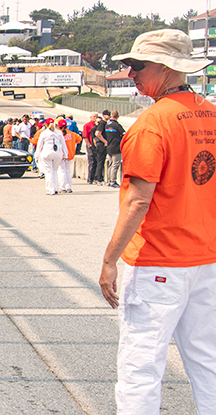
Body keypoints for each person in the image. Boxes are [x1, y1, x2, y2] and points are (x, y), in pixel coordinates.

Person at [100, 28, 216, 415]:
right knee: (207, 360)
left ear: (165, 68)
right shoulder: (211, 115)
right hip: (206, 258)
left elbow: (137, 202)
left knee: (141, 364)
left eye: (137, 65)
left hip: (158, 261)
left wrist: (109, 260)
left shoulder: (152, 124)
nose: (130, 73)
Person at [33, 119, 67, 195]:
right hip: (57, 153)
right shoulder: (59, 132)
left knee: (48, 172)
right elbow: (63, 144)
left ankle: (50, 189)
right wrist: (66, 154)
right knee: (55, 171)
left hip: (47, 152)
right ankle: (56, 188)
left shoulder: (44, 133)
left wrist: (37, 156)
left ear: (45, 124)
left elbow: (39, 146)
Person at [58, 119, 82, 193]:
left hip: (62, 154)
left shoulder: (58, 134)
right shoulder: (72, 134)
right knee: (68, 170)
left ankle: (62, 187)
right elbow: (79, 139)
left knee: (62, 171)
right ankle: (69, 187)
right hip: (70, 154)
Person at [104, 110, 126, 188]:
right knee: (115, 164)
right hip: (116, 147)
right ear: (118, 117)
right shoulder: (117, 125)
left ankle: (109, 180)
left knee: (110, 164)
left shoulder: (107, 125)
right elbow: (124, 134)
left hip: (109, 147)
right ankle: (113, 181)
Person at [93, 110, 110, 184]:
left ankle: (98, 177)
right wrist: (105, 141)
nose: (108, 116)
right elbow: (97, 133)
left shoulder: (105, 123)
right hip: (101, 144)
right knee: (100, 161)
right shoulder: (102, 123)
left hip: (101, 143)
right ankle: (99, 178)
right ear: (104, 115)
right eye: (107, 115)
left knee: (101, 161)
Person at [82, 113, 98, 184]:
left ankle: (96, 177)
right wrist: (89, 145)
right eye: (94, 117)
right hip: (91, 145)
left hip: (97, 146)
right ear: (91, 117)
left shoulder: (98, 125)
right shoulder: (87, 125)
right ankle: (90, 178)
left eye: (96, 117)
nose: (95, 118)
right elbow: (85, 136)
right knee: (92, 161)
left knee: (97, 161)